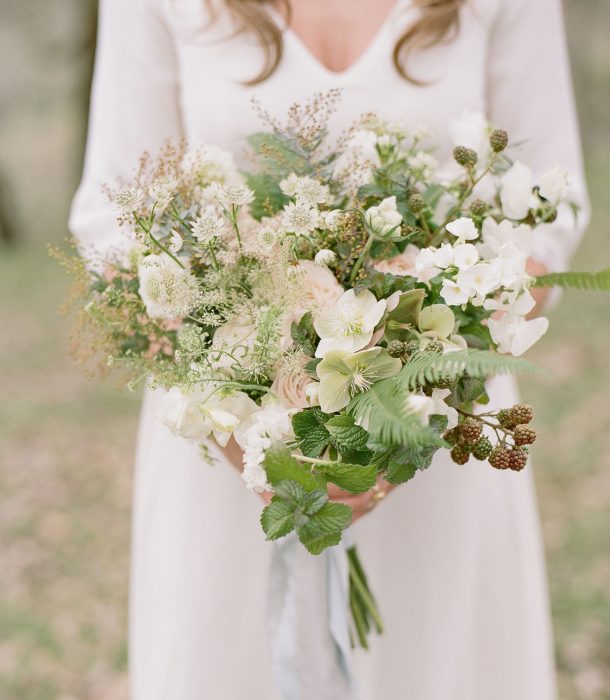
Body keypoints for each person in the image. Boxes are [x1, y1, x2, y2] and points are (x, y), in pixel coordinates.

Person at [69, 0, 588, 697]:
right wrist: (246, 423)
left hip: (438, 438)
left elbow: (550, 214)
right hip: (223, 447)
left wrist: (417, 388)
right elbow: (113, 225)